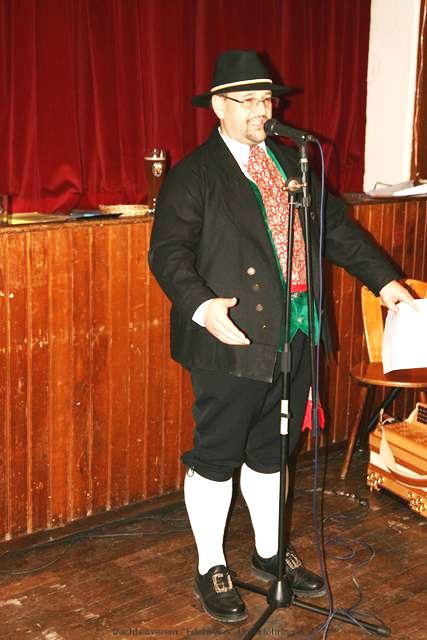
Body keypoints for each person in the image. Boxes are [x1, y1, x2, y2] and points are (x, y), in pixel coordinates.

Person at [149, 50, 415, 623]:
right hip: (232, 335)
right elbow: (167, 254)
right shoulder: (195, 175)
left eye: (266, 99)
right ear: (218, 107)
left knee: (273, 450)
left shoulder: (293, 162)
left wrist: (386, 282)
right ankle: (210, 565)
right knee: (218, 453)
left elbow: (336, 228)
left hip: (296, 330)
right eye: (246, 100)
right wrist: (201, 306)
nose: (260, 111)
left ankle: (270, 554)